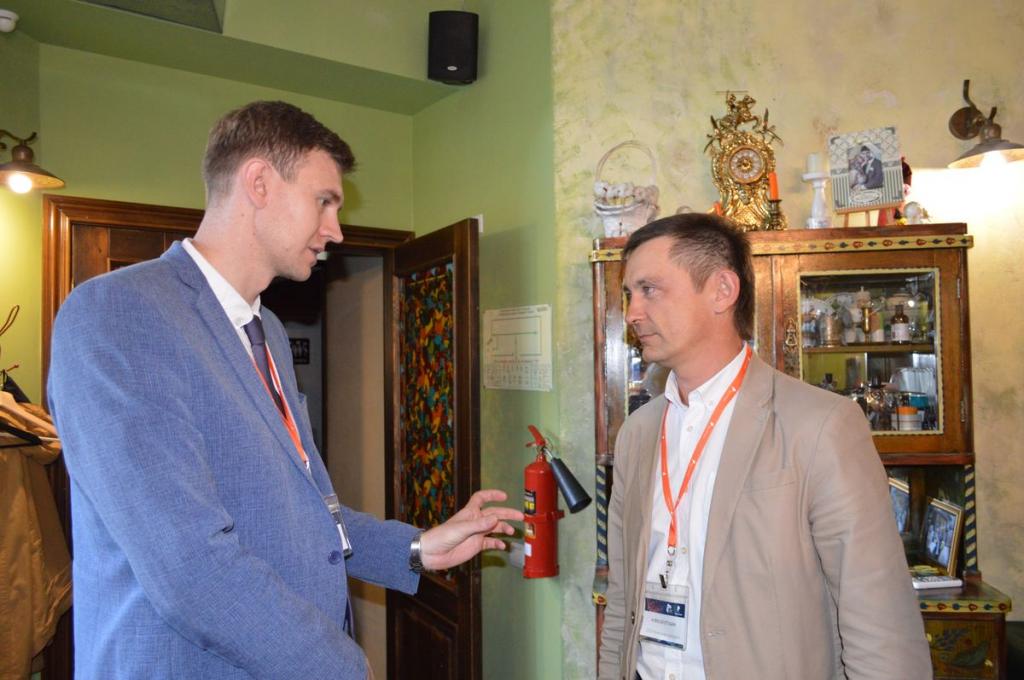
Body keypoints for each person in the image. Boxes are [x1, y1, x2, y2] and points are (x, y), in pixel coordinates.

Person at [47, 101, 522, 680]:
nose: (336, 230)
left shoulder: (266, 329)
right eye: (324, 201)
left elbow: (299, 511)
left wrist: (419, 548)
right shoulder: (118, 314)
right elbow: (192, 571)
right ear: (259, 183)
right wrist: (344, 668)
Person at [598, 213, 931, 679]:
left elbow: (880, 624)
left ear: (722, 290)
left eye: (649, 289)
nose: (633, 312)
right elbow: (622, 600)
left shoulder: (819, 425)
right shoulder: (637, 434)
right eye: (629, 294)